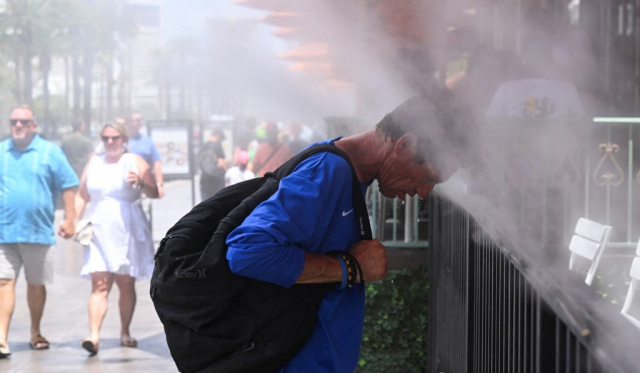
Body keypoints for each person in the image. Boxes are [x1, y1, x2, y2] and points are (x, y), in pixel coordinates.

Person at [225, 87, 475, 372]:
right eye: (429, 177)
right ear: (405, 145)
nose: (425, 191)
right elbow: (246, 251)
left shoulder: (347, 173)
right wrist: (351, 267)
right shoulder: (328, 172)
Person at [0, 105, 79, 358]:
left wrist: (70, 219)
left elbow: (68, 185)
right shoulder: (1, 152)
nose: (18, 126)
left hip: (37, 232)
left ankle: (35, 332)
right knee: (3, 282)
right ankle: (1, 337)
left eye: (23, 122)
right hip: (4, 232)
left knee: (36, 285)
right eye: (14, 122)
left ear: (33, 126)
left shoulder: (50, 152)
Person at [75, 123, 159, 355]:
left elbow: (155, 192)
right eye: (105, 138)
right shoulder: (94, 162)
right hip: (99, 228)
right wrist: (72, 220)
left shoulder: (134, 161)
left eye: (114, 138)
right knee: (99, 283)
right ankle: (94, 336)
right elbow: (82, 194)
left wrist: (141, 183)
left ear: (123, 139)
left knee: (125, 283)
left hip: (127, 228)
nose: (110, 142)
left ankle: (124, 330)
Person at [125, 112, 164, 198]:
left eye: (142, 120)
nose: (140, 123)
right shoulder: (120, 140)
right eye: (138, 120)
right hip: (124, 186)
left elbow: (156, 163)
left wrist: (159, 184)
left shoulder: (147, 141)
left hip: (144, 187)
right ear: (129, 122)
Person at [199, 129, 227, 200]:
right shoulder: (217, 146)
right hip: (217, 180)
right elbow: (221, 162)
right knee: (218, 201)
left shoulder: (204, 146)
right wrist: (225, 171)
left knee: (206, 202)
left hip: (205, 179)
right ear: (218, 136)